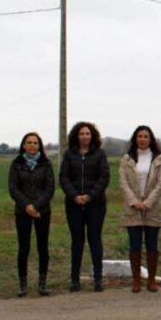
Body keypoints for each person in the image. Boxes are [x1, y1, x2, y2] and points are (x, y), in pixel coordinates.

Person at [59, 121, 110, 292]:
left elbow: (104, 177)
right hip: (73, 205)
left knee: (95, 240)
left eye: (88, 133)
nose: (85, 136)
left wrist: (90, 196)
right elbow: (63, 177)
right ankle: (75, 279)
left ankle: (98, 279)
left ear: (92, 135)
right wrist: (74, 196)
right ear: (76, 136)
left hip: (95, 204)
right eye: (82, 133)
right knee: (77, 241)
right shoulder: (68, 155)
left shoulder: (100, 154)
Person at [119, 125, 161, 293]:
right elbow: (123, 183)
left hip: (152, 209)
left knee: (152, 246)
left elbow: (160, 184)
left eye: (146, 136)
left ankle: (151, 280)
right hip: (133, 209)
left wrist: (147, 202)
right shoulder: (127, 159)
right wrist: (134, 202)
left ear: (150, 139)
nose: (143, 139)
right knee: (135, 245)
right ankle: (136, 280)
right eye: (140, 136)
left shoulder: (158, 159)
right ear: (135, 138)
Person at [8, 132, 55, 297]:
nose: (32, 145)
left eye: (35, 143)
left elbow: (50, 188)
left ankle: (42, 284)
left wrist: (36, 206)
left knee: (43, 247)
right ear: (23, 145)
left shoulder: (46, 164)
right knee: (24, 247)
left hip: (42, 211)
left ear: (39, 145)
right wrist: (27, 205)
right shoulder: (16, 164)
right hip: (22, 211)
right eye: (29, 142)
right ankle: (23, 284)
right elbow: (13, 188)